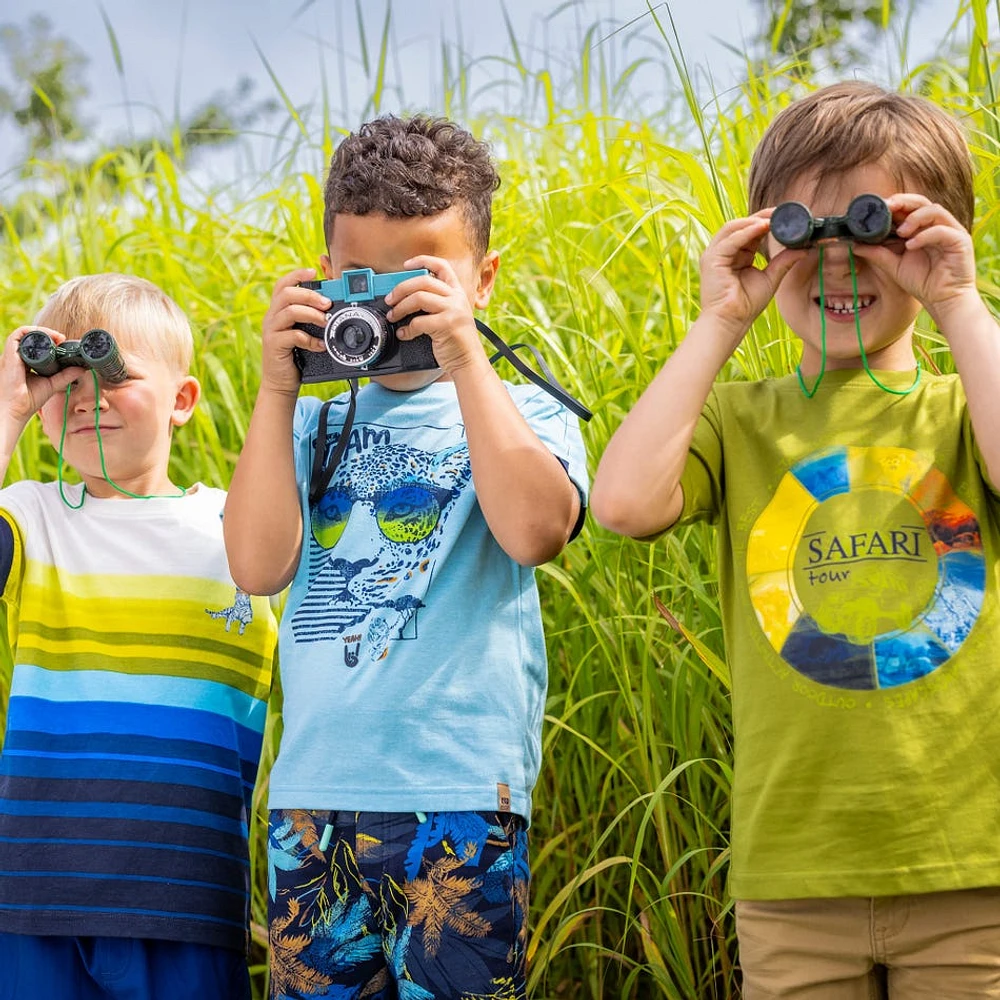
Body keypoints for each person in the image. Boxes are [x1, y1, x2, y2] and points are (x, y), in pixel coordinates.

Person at [591, 81, 1000, 997]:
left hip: (970, 867)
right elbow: (621, 502)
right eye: (803, 233)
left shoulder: (966, 409)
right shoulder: (739, 424)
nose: (842, 261)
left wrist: (959, 304)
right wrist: (720, 320)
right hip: (793, 875)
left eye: (875, 229)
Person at [223, 114, 588, 997]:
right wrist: (279, 389)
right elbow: (256, 566)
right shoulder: (308, 420)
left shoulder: (523, 412)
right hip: (314, 801)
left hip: (461, 797)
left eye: (418, 278)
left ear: (482, 280)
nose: (388, 306)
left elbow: (534, 531)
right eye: (362, 279)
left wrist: (466, 358)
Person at [0, 274, 277, 1000]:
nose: (86, 396)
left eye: (112, 371)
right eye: (62, 378)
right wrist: (8, 407)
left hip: (185, 894)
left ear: (183, 400)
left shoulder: (238, 529)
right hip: (33, 898)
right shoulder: (32, 517)